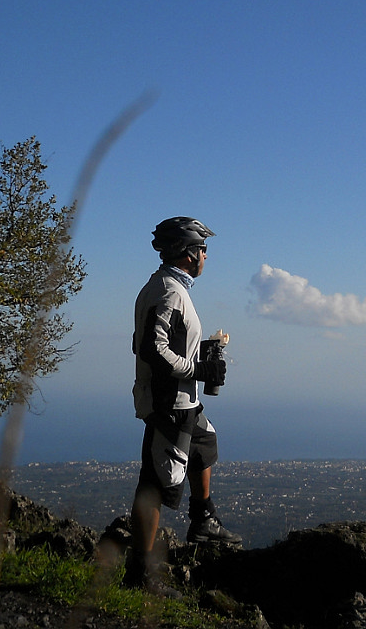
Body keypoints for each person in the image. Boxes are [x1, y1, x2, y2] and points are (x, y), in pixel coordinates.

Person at [125, 216, 242, 591]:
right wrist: (198, 369)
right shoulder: (170, 292)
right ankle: (139, 574)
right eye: (203, 249)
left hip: (181, 400)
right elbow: (153, 349)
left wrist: (202, 354)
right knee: (158, 483)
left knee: (205, 442)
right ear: (189, 254)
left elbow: (162, 342)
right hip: (169, 403)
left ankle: (203, 519)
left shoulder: (169, 287)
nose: (207, 256)